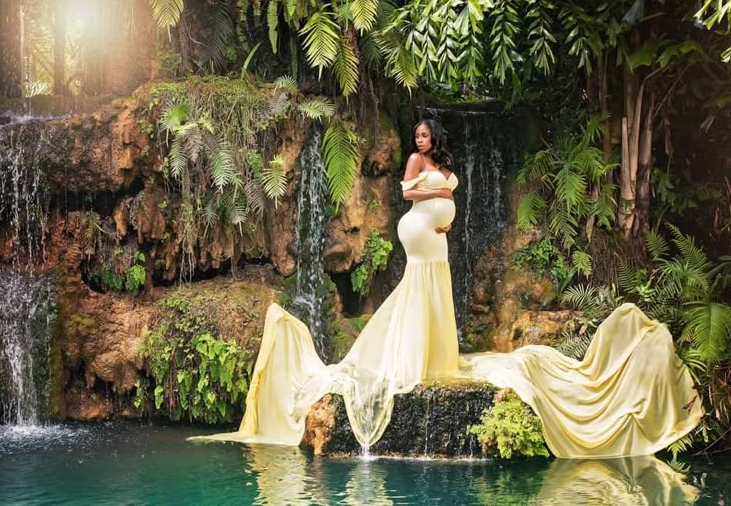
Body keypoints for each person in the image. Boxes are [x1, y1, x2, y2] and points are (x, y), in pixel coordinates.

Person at [194, 120, 703, 458]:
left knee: (431, 289)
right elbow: (408, 191)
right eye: (413, 136)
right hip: (417, 234)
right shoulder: (420, 167)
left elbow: (445, 192)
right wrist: (442, 189)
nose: (416, 142)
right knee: (420, 284)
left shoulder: (441, 160)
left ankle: (432, 350)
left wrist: (446, 198)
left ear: (433, 137)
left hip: (434, 240)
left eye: (422, 136)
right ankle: (414, 358)